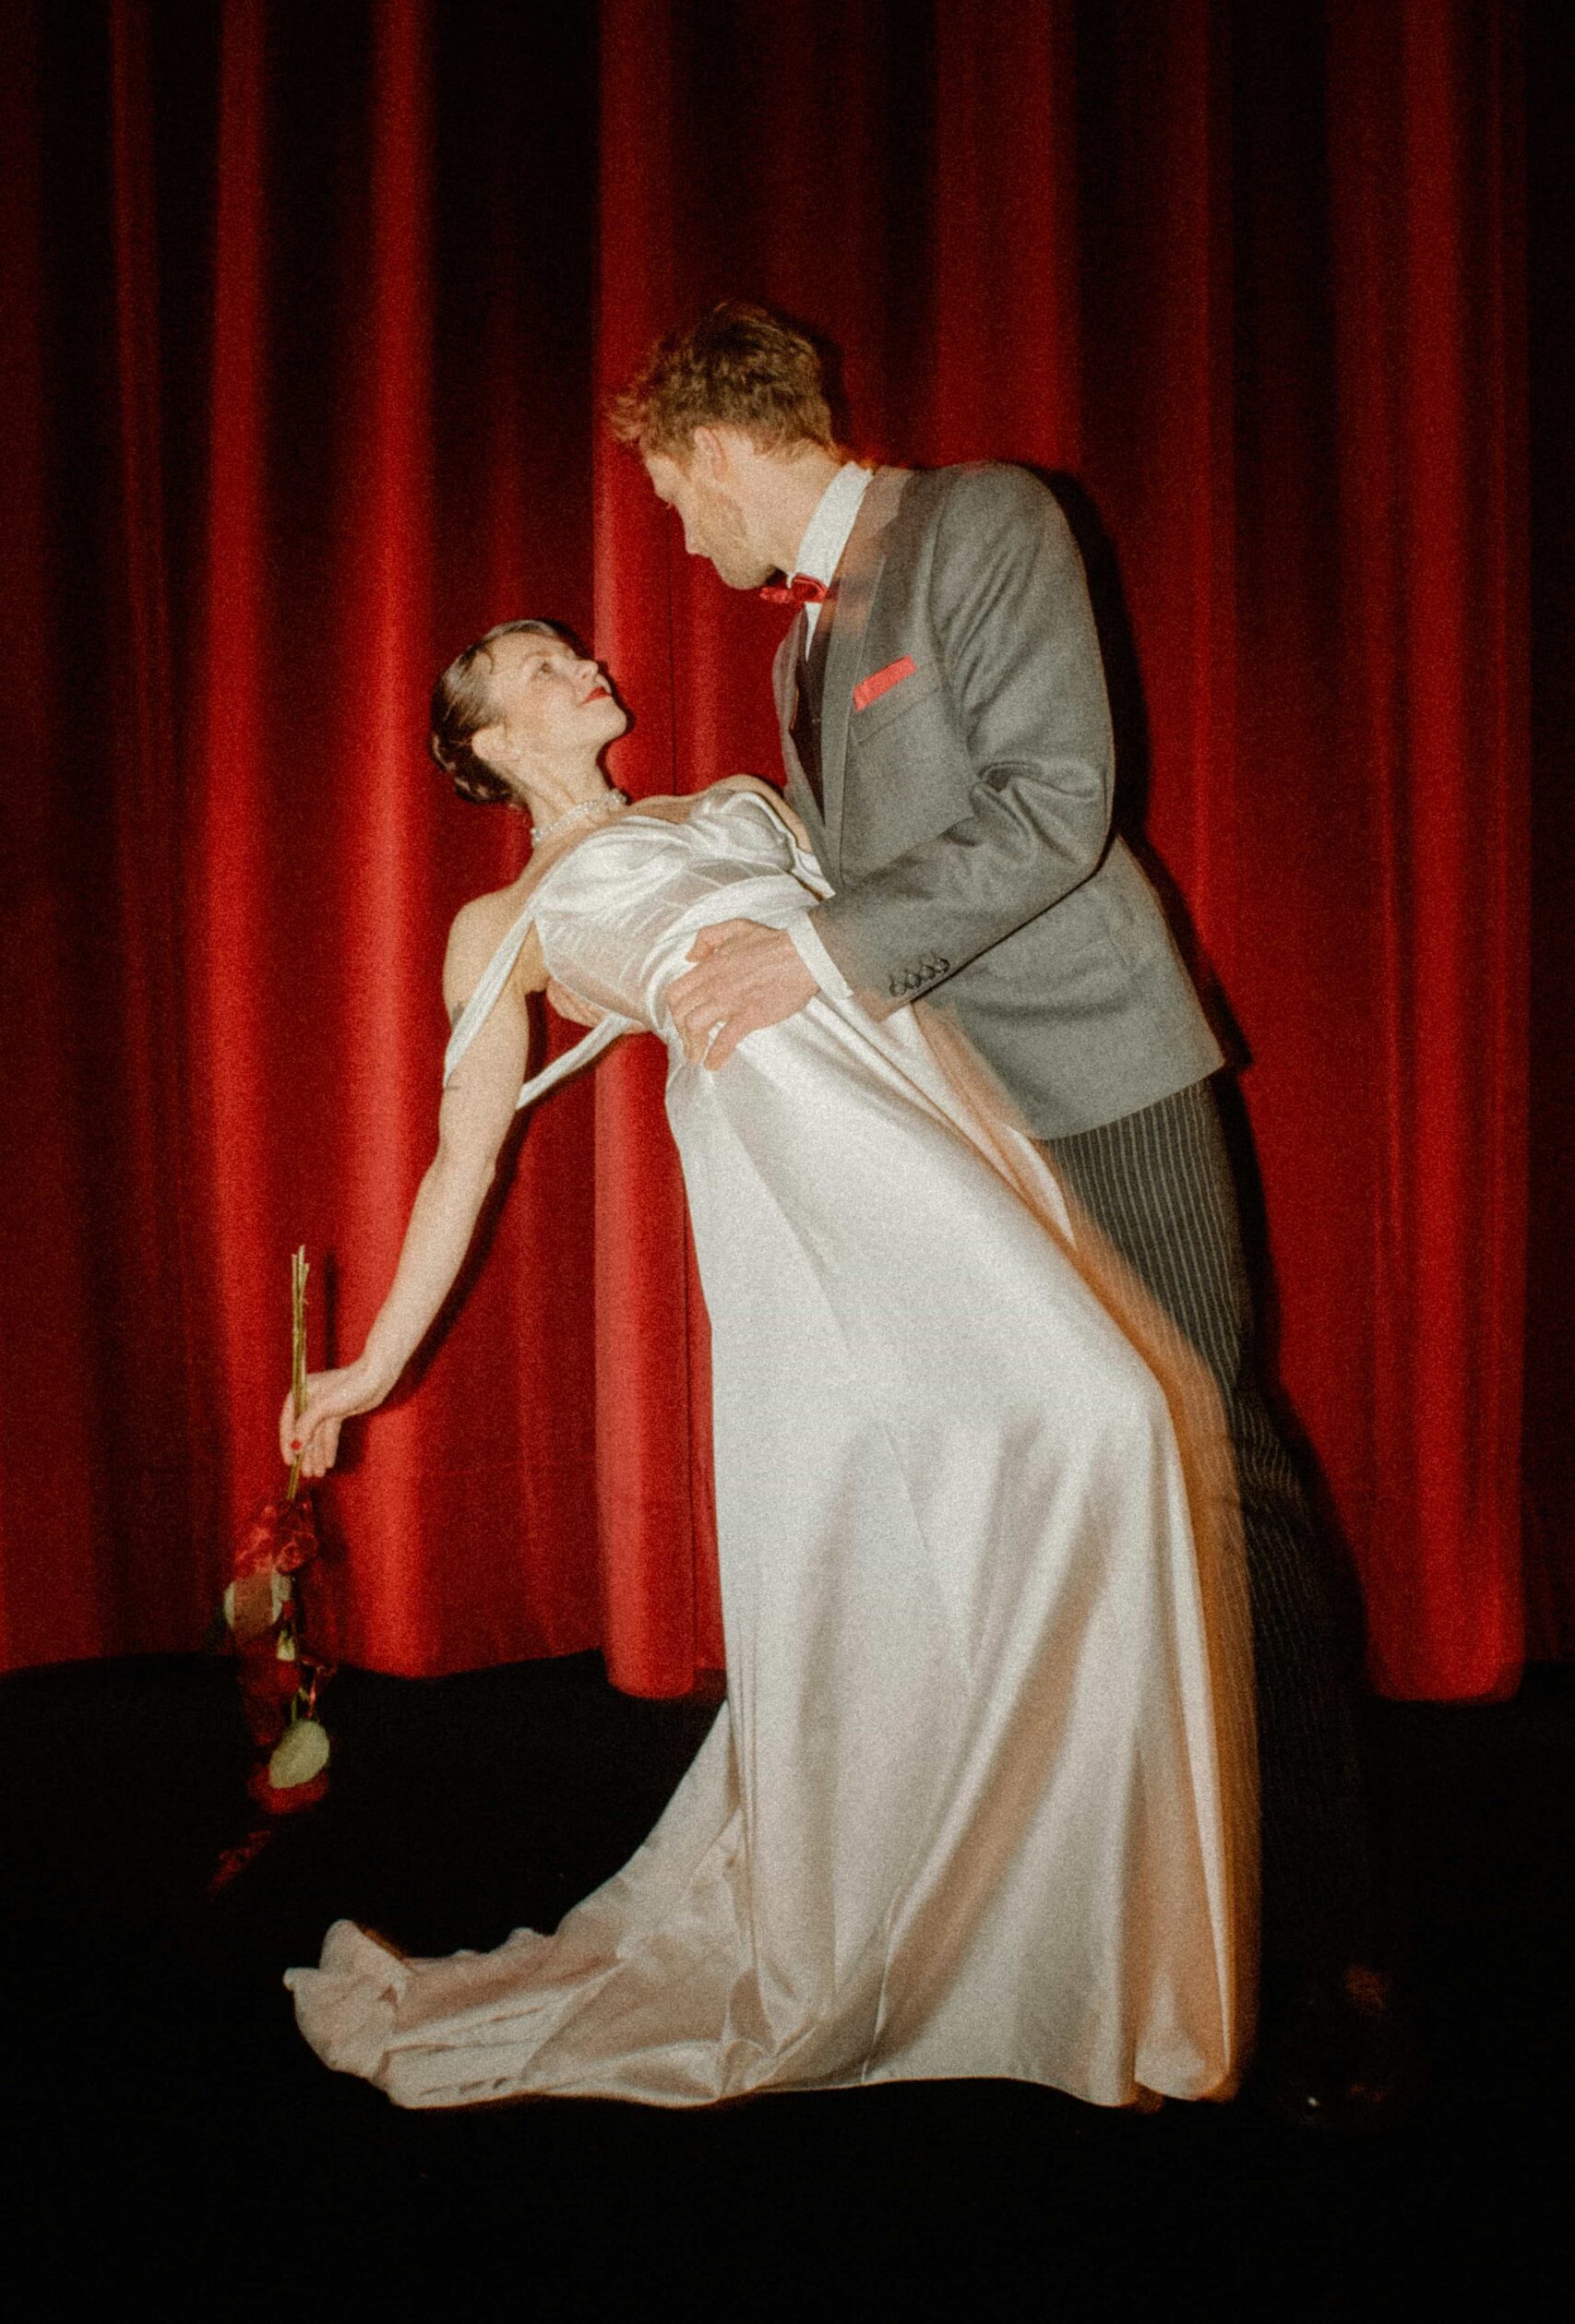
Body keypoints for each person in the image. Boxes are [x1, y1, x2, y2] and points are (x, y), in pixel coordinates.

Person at [280, 615, 1255, 2112]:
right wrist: (369, 1368)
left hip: (926, 1093)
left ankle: (1058, 1924)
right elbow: (463, 1160)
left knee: (1082, 1440)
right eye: (540, 667)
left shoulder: (741, 800)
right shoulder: (506, 921)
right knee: (1098, 1418)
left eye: (573, 648)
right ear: (487, 742)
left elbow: (904, 921)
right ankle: (986, 1909)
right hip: (794, 1148)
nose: (584, 666)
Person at [611, 301, 1393, 2129]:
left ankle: (1337, 1953)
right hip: (958, 1129)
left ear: (718, 445)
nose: (684, 539)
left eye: (671, 496)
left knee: (1210, 1457)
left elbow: (1056, 808)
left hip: (1104, 1082)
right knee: (1059, 1492)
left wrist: (811, 949)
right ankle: (1121, 1902)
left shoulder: (980, 521)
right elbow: (839, 888)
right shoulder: (800, 660)